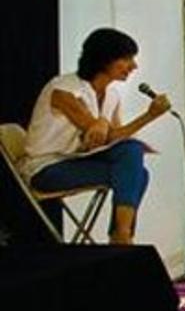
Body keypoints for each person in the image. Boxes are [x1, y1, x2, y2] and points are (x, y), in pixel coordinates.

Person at [22, 28, 172, 244]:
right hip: (45, 169)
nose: (133, 66)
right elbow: (93, 129)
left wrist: (149, 116)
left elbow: (113, 138)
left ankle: (120, 236)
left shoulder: (112, 95)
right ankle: (122, 237)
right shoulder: (63, 89)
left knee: (135, 162)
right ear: (103, 59)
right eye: (126, 59)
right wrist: (104, 122)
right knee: (136, 172)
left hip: (74, 162)